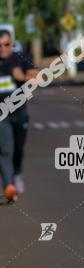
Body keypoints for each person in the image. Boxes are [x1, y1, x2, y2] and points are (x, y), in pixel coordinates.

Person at [0, 29, 38, 201]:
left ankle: (17, 172)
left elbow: (37, 75)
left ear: (12, 44)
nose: (2, 48)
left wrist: (22, 77)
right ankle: (9, 187)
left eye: (6, 44)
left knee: (18, 147)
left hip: (20, 112)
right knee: (5, 149)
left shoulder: (20, 58)